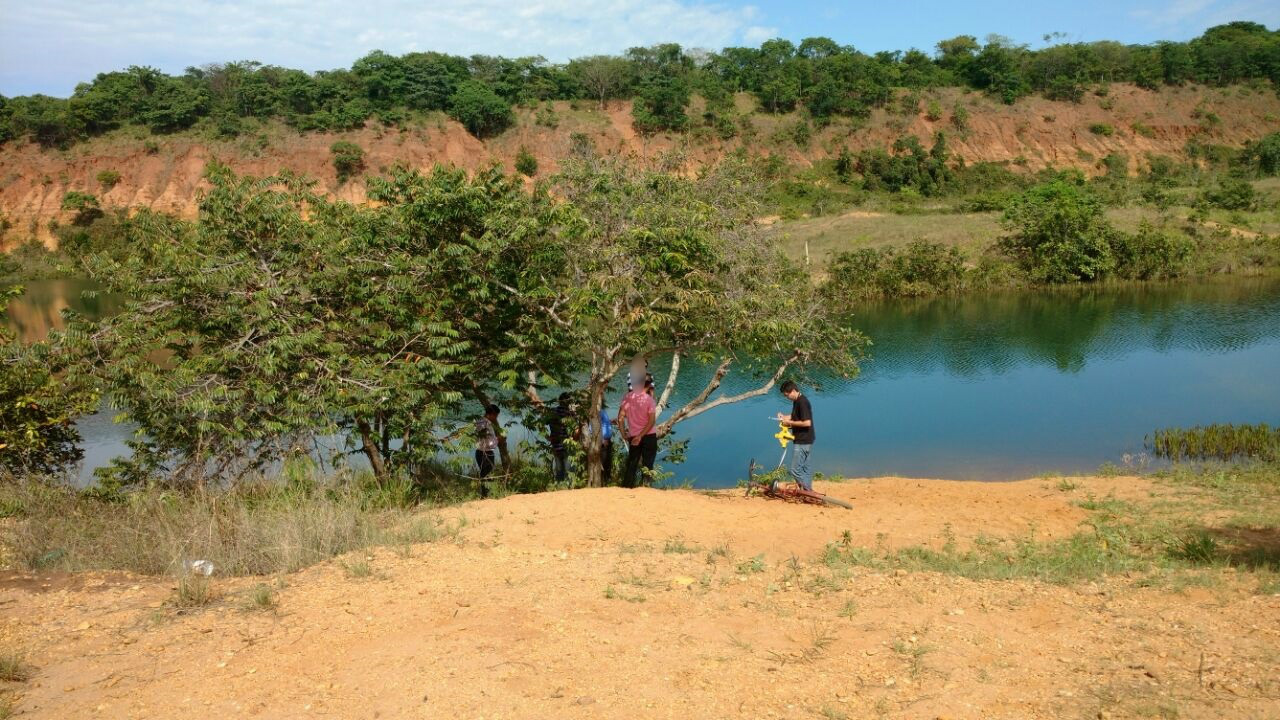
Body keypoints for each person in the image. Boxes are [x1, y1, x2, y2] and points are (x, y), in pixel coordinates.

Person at [618, 376, 658, 488]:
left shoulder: (628, 397)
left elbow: (620, 418)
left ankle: (626, 487)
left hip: (633, 436)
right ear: (649, 385)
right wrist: (641, 436)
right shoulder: (649, 400)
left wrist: (623, 434)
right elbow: (651, 421)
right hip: (648, 436)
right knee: (648, 464)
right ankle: (646, 488)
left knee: (632, 464)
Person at [775, 380, 815, 491]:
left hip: (803, 439)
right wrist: (784, 417)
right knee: (805, 469)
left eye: (787, 395)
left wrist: (790, 423)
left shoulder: (802, 402)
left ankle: (807, 490)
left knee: (794, 470)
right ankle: (808, 492)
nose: (787, 398)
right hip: (806, 438)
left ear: (793, 391)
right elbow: (795, 416)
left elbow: (807, 422)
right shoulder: (797, 401)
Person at [474, 404, 501, 498]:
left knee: (484, 474)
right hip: (485, 452)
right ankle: (486, 496)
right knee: (486, 475)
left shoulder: (479, 421)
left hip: (479, 452)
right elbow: (488, 442)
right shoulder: (485, 424)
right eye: (496, 416)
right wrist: (498, 439)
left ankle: (485, 495)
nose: (496, 418)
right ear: (492, 414)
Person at [548, 392, 572, 484]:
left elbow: (546, 422)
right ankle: (568, 487)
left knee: (558, 470)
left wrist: (549, 436)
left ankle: (558, 487)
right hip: (567, 444)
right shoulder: (570, 413)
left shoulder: (552, 411)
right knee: (568, 470)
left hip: (555, 444)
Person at [599, 401, 614, 485]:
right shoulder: (597, 412)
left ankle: (606, 483)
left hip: (607, 442)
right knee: (603, 465)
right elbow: (592, 428)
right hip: (603, 443)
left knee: (607, 464)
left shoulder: (602, 411)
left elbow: (603, 424)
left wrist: (610, 422)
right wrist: (602, 440)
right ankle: (602, 483)